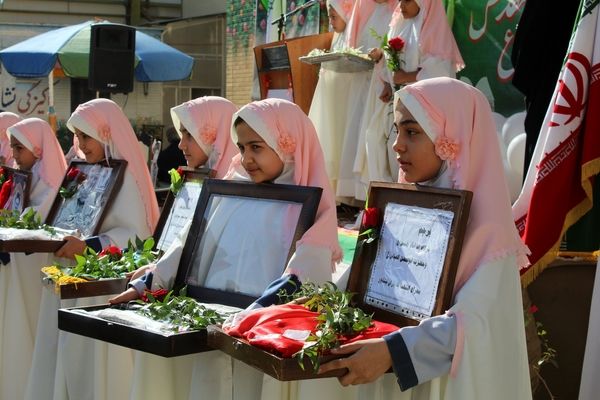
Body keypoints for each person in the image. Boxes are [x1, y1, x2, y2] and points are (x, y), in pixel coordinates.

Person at [109, 98, 342, 399]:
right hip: (211, 324)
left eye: (256, 147)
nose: (246, 158)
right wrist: (149, 282)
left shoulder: (311, 210)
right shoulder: (231, 191)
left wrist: (251, 315)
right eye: (242, 147)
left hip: (256, 337)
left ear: (288, 145)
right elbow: (189, 243)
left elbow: (305, 272)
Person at [316, 78, 532, 399]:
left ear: (453, 137)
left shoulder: (490, 236)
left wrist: (392, 352)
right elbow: (359, 286)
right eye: (396, 131)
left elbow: (471, 327)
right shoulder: (399, 211)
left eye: (412, 132)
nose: (396, 145)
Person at [25, 99, 160, 400]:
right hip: (69, 274)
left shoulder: (125, 179)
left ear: (107, 133)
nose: (81, 144)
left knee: (90, 365)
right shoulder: (84, 173)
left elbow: (133, 234)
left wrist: (86, 247)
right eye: (78, 136)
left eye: (87, 136)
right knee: (59, 351)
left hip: (99, 285)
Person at [354, 0, 464, 192]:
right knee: (375, 139)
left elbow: (440, 71)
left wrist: (407, 77)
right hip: (398, 102)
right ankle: (386, 199)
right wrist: (386, 77)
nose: (401, 5)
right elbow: (391, 62)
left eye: (407, 1)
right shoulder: (400, 25)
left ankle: (406, 197)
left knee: (403, 150)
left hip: (423, 107)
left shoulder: (432, 27)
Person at [0, 118, 67, 400]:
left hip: (34, 272)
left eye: (19, 147)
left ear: (37, 148)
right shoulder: (21, 179)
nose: (13, 154)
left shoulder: (55, 184)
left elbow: (41, 226)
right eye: (12, 147)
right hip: (15, 272)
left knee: (31, 333)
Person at [335, 0, 397, 203]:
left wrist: (384, 67)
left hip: (387, 88)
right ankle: (366, 201)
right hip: (366, 84)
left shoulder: (399, 11)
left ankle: (382, 200)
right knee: (366, 139)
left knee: (381, 143)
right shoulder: (367, 9)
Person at [308, 0, 354, 192]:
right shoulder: (337, 36)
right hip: (333, 97)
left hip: (346, 99)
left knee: (342, 142)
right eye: (329, 17)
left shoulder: (354, 32)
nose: (331, 21)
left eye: (334, 16)